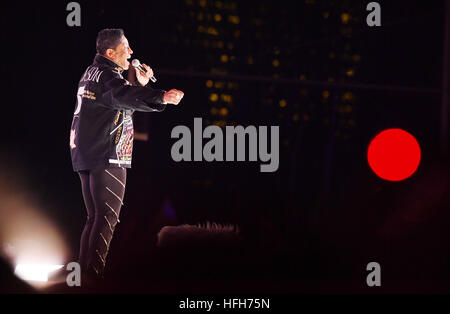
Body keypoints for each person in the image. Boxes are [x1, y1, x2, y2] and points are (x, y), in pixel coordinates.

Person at [69, 28, 184, 279]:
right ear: (110, 53)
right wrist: (161, 96)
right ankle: (92, 277)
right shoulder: (107, 76)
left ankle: (82, 276)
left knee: (95, 218)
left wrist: (135, 84)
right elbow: (122, 96)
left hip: (89, 153)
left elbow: (119, 99)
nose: (131, 52)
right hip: (106, 154)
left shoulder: (95, 73)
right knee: (106, 217)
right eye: (125, 48)